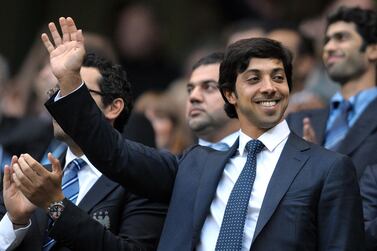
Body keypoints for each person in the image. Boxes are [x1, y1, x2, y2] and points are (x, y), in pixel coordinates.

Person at [29, 17, 363, 250]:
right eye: (254, 78)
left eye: (278, 77)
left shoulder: (327, 169)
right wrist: (71, 82)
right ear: (231, 94)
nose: (269, 87)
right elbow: (114, 154)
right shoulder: (194, 164)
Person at [0, 53, 167, 250]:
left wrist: (56, 206)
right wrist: (15, 221)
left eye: (74, 94)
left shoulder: (142, 179)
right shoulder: (32, 177)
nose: (59, 103)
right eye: (57, 92)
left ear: (113, 108)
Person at [287, 6, 377, 178]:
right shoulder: (297, 121)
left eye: (341, 38)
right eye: (326, 40)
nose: (329, 47)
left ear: (372, 50)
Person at [186, 52, 239, 150]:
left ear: (234, 94)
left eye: (208, 87)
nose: (193, 97)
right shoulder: (180, 163)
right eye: (190, 89)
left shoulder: (266, 157)